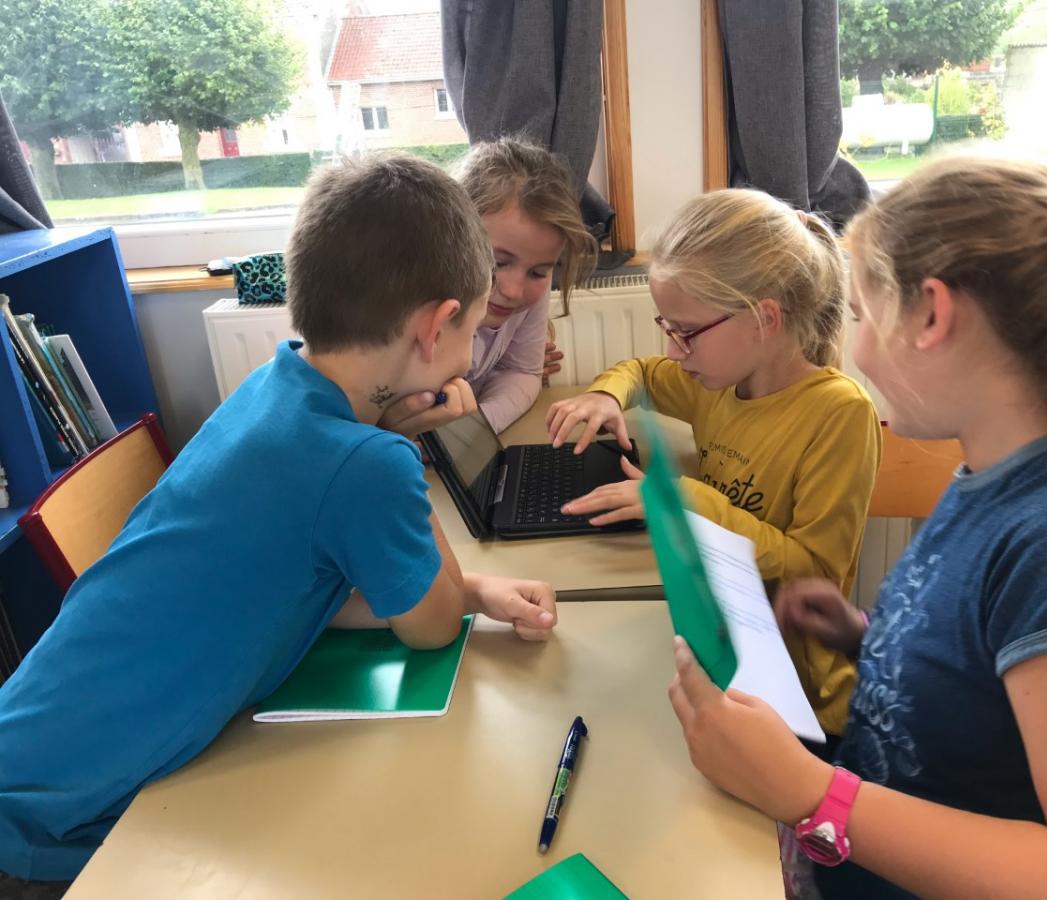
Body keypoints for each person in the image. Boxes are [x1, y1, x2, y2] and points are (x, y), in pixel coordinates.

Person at [0, 153, 558, 888]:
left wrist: (477, 590)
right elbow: (428, 627)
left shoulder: (271, 386)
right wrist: (405, 448)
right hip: (54, 825)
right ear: (436, 327)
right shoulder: (367, 462)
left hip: (29, 744)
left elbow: (296, 592)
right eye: (472, 332)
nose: (465, 361)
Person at [667, 156, 1047, 898]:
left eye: (862, 316)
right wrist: (868, 637)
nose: (855, 349)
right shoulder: (995, 472)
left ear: (931, 315)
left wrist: (811, 794)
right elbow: (998, 681)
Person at [546, 188, 881, 739]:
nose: (674, 352)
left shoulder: (839, 413)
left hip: (798, 697)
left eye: (687, 333)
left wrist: (684, 501)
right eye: (668, 329)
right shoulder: (721, 380)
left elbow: (815, 573)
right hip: (722, 645)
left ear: (764, 319)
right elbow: (642, 371)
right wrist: (606, 395)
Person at [454, 137, 597, 433]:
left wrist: (471, 433)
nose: (513, 291)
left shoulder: (528, 288)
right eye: (498, 263)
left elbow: (522, 371)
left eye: (538, 272)